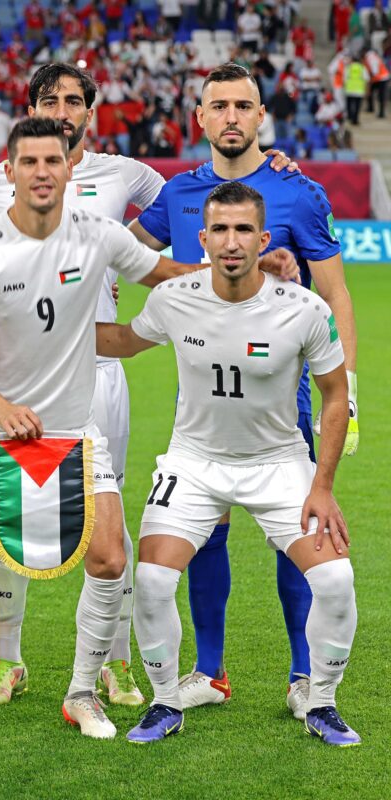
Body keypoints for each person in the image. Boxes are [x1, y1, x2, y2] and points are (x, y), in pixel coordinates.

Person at [0, 117, 253, 740]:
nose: (43, 172)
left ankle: (82, 692)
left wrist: (243, 270)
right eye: (30, 162)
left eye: (54, 160)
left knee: (109, 561)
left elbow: (168, 275)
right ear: (8, 170)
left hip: (72, 431)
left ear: (69, 167)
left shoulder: (99, 236)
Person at [131, 62, 359, 721]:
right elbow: (125, 254)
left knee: (296, 534)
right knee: (204, 532)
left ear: (262, 117)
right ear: (198, 118)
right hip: (201, 405)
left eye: (243, 105)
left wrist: (352, 383)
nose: (231, 116)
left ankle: (301, 675)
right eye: (218, 105)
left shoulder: (299, 192)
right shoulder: (178, 194)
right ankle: (208, 671)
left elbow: (335, 289)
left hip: (282, 402)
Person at [0, 63, 165, 710]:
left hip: (100, 370)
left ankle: (115, 662)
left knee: (112, 518)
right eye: (50, 99)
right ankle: (6, 658)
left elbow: (186, 206)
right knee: (7, 515)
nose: (64, 108)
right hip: (16, 376)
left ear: (91, 111)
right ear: (29, 108)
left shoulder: (125, 174)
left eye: (74, 100)